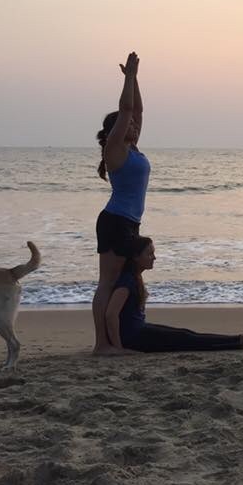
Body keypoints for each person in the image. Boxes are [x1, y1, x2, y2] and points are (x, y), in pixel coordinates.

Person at [105, 236, 243, 352]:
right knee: (185, 339)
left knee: (185, 334)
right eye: (149, 254)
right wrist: (119, 349)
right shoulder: (127, 281)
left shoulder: (135, 277)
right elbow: (111, 315)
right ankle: (241, 342)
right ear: (136, 257)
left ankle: (240, 340)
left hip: (139, 331)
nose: (154, 257)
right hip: (133, 338)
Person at [93, 52, 150, 355]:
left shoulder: (133, 146)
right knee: (108, 282)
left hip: (129, 222)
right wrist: (127, 77)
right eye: (129, 125)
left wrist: (136, 77)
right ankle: (102, 344)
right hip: (114, 221)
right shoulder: (115, 150)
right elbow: (127, 109)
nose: (136, 126)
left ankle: (123, 334)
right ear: (118, 130)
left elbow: (136, 110)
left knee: (127, 278)